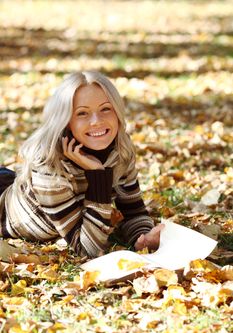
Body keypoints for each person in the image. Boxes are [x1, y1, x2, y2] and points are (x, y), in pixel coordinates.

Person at [0, 71, 163, 258]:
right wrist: (98, 176)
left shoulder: (120, 150)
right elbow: (87, 249)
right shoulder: (49, 167)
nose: (97, 121)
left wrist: (142, 237)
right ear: (65, 121)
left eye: (105, 109)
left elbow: (133, 212)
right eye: (82, 113)